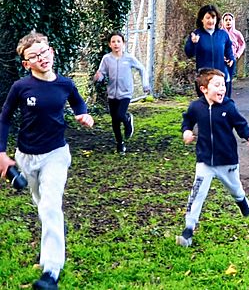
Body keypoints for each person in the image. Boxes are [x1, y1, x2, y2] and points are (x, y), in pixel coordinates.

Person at [0, 32, 94, 290]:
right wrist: (1, 154)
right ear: (26, 63)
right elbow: (5, 118)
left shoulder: (65, 84)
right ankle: (51, 244)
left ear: (51, 52)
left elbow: (79, 104)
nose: (41, 58)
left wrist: (85, 116)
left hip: (56, 154)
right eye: (34, 56)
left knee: (50, 206)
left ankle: (51, 270)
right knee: (43, 206)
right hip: (26, 156)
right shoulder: (21, 87)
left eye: (44, 53)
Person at [177, 68, 249, 247]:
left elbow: (241, 125)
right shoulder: (196, 107)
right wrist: (186, 132)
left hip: (227, 160)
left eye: (223, 85)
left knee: (235, 189)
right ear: (204, 89)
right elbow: (187, 121)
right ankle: (188, 229)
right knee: (197, 193)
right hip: (205, 160)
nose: (222, 88)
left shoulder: (228, 106)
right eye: (217, 85)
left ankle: (241, 200)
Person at [94, 32, 150, 153]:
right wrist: (98, 77)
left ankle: (127, 120)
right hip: (112, 93)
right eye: (113, 42)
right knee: (114, 120)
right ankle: (120, 144)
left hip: (125, 93)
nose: (116, 44)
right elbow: (101, 73)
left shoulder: (129, 58)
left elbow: (142, 69)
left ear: (123, 44)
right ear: (109, 44)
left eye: (119, 41)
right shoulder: (106, 59)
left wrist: (145, 84)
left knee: (120, 115)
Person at [185, 5, 235, 97]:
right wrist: (193, 43)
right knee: (206, 106)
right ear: (201, 19)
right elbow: (189, 53)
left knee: (222, 105)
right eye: (207, 18)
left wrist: (231, 59)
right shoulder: (196, 35)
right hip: (204, 78)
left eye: (213, 17)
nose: (211, 21)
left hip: (221, 76)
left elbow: (228, 50)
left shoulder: (223, 35)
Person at [221, 12, 246, 97]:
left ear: (233, 21)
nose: (228, 22)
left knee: (229, 79)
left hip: (232, 59)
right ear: (222, 22)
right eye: (226, 20)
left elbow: (242, 44)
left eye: (230, 20)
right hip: (221, 59)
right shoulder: (220, 33)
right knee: (223, 79)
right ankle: (221, 97)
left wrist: (237, 55)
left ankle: (227, 98)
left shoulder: (237, 33)